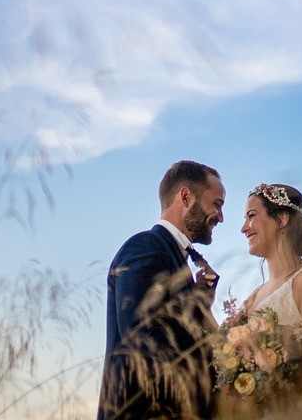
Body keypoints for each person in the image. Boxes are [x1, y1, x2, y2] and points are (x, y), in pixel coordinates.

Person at [98, 161, 227, 420]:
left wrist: (198, 304)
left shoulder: (172, 257)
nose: (220, 216)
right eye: (217, 204)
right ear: (186, 197)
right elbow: (142, 341)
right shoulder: (146, 246)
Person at [220, 183, 302, 420]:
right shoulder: (252, 298)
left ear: (282, 219)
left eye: (251, 216)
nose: (243, 228)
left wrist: (269, 391)